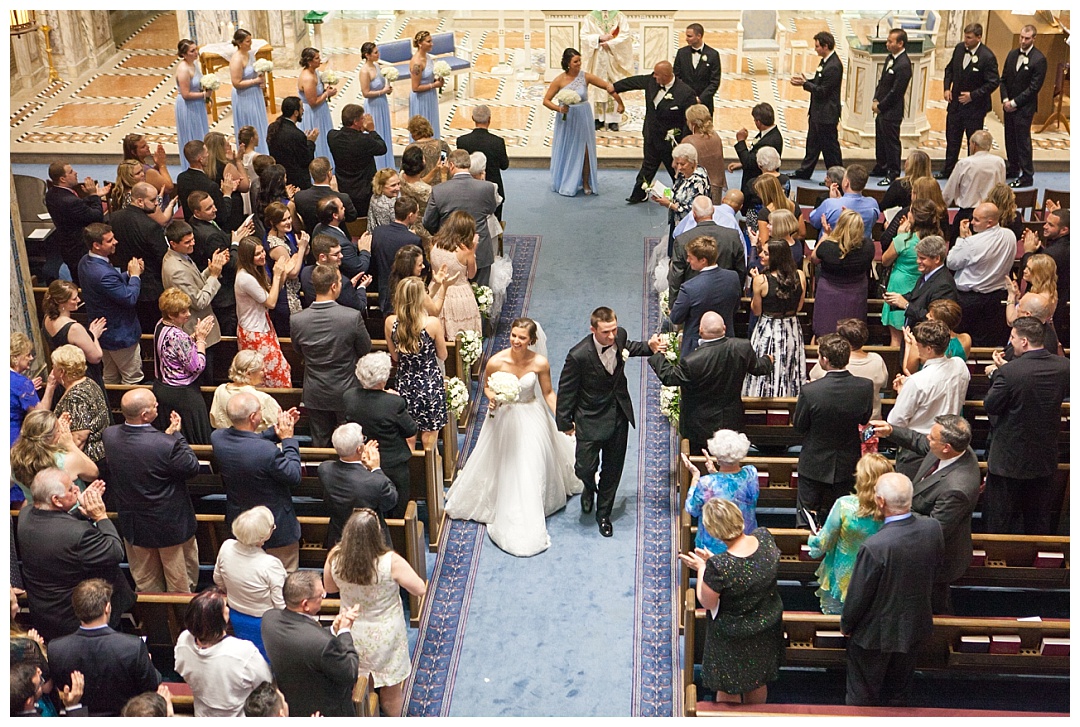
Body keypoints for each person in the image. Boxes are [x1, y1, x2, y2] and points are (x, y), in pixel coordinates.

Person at [445, 318, 581, 556]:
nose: (516, 341)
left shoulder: (539, 363)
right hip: (504, 417)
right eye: (514, 336)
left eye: (522, 338)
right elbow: (487, 387)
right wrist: (493, 397)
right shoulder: (497, 361)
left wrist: (563, 418)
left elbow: (548, 393)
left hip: (532, 415)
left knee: (531, 462)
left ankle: (533, 503)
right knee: (506, 463)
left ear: (532, 340)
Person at [841, 473, 944, 707]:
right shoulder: (933, 529)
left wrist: (847, 625)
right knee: (899, 696)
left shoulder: (875, 546)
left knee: (862, 698)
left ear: (880, 501)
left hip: (874, 635)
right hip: (914, 625)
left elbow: (858, 597)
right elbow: (936, 568)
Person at [556, 307, 659, 537]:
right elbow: (566, 391)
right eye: (605, 332)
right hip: (590, 418)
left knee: (613, 470)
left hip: (618, 415)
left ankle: (603, 513)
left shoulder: (619, 336)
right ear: (593, 330)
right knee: (584, 467)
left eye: (613, 329)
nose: (611, 336)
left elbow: (629, 347)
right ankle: (588, 488)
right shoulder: (578, 355)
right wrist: (564, 422)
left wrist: (649, 348)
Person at [869, 415, 980, 614]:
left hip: (939, 560)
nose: (927, 439)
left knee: (933, 607)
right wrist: (891, 431)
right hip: (923, 541)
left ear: (946, 447)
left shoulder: (958, 488)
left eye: (932, 438)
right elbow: (919, 441)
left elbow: (933, 529)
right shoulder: (955, 448)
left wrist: (895, 506)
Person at [678, 498, 783, 705]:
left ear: (714, 531)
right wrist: (712, 566)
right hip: (767, 627)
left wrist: (702, 570)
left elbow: (707, 602)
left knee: (728, 689)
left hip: (732, 638)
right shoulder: (764, 537)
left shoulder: (719, 566)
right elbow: (748, 571)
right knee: (758, 680)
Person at [323, 510, 427, 716]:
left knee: (361, 688)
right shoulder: (390, 561)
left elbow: (330, 587)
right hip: (385, 633)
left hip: (351, 631)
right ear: (376, 534)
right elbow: (419, 589)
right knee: (391, 693)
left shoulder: (335, 556)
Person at [17, 469, 136, 642]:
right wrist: (100, 516)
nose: (77, 490)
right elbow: (115, 551)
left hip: (44, 612)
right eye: (71, 489)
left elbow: (57, 527)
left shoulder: (26, 515)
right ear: (56, 500)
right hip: (78, 616)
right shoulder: (79, 534)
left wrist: (79, 510)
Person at [101, 388, 200, 593]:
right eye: (155, 405)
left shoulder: (109, 436)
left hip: (135, 525)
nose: (158, 406)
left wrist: (168, 438)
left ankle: (156, 624)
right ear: (145, 415)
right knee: (180, 585)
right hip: (169, 526)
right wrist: (177, 436)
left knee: (146, 585)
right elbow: (191, 467)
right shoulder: (166, 444)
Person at [983, 317, 1070, 535]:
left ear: (1024, 342)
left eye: (1012, 338)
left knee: (1000, 519)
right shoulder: (1064, 366)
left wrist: (997, 373)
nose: (1010, 342)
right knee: (1038, 518)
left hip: (1008, 459)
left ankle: (997, 563)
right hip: (1044, 456)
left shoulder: (1010, 371)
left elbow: (991, 405)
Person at [649, 312, 772, 453]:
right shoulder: (742, 347)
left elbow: (669, 377)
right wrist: (768, 360)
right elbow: (758, 368)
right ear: (724, 328)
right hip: (731, 421)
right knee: (729, 461)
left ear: (700, 331)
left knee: (701, 465)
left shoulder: (692, 361)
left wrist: (657, 353)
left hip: (699, 428)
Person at [212, 394, 303, 571]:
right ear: (253, 417)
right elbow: (293, 475)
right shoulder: (267, 451)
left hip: (241, 522)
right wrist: (288, 439)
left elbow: (248, 441)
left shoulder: (218, 438)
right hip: (275, 527)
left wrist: (275, 430)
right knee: (284, 577)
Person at [793, 334, 875, 529]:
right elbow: (864, 419)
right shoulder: (865, 386)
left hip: (814, 461)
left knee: (807, 517)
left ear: (824, 359)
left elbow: (799, 426)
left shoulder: (811, 391)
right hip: (848, 460)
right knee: (846, 517)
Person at [48, 578, 161, 716]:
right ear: (107, 608)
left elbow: (61, 688)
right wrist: (148, 664)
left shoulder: (56, 649)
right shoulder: (133, 647)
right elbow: (151, 686)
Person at [290, 264, 372, 448]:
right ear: (334, 286)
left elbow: (298, 350)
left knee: (320, 444)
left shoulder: (297, 320)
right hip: (347, 390)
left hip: (315, 391)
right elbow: (365, 349)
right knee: (350, 445)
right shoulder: (351, 317)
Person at [260, 571, 360, 718]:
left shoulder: (269, 619)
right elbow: (350, 673)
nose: (323, 597)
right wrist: (344, 631)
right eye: (321, 596)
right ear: (305, 604)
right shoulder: (323, 644)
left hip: (292, 703)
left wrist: (333, 630)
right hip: (326, 711)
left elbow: (303, 640)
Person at [807, 453, 890, 614]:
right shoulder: (892, 510)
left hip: (843, 578)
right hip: (878, 580)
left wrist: (813, 538)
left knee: (836, 628)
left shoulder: (844, 505)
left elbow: (823, 544)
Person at [886, 320, 970, 479]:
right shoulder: (960, 366)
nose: (916, 348)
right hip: (949, 444)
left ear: (929, 349)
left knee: (912, 497)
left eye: (918, 345)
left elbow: (895, 422)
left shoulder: (917, 382)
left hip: (917, 448)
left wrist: (903, 393)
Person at [174, 587, 272, 717]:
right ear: (219, 621)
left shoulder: (183, 640)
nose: (228, 609)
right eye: (224, 607)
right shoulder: (243, 652)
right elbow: (265, 685)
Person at [343, 352, 418, 520]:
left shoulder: (349, 397)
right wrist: (396, 398)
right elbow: (410, 429)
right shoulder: (394, 403)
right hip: (393, 463)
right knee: (398, 504)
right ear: (384, 379)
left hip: (362, 460)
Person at [544, 47, 623, 197]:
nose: (579, 64)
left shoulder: (585, 77)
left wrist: (619, 101)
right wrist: (558, 109)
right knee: (568, 149)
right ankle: (567, 180)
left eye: (580, 60)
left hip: (583, 116)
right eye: (575, 61)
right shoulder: (559, 80)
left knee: (585, 151)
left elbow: (607, 86)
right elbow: (546, 101)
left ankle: (586, 182)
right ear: (567, 63)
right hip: (566, 120)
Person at [616, 61, 697, 204]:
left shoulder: (685, 92)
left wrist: (684, 142)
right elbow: (634, 82)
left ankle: (683, 197)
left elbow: (688, 120)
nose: (654, 76)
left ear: (666, 76)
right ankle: (638, 194)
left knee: (676, 172)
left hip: (670, 143)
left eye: (657, 74)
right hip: (651, 136)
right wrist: (614, 87)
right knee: (648, 166)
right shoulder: (652, 81)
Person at [213, 505, 287, 659]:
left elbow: (218, 579)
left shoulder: (226, 546)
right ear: (263, 538)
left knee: (246, 657)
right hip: (264, 622)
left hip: (236, 614)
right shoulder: (270, 564)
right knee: (265, 661)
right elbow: (281, 604)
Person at [161, 219, 230, 385]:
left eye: (192, 239)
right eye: (187, 242)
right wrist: (213, 276)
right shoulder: (176, 269)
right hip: (194, 329)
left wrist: (211, 268)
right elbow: (199, 301)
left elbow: (195, 283)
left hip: (201, 329)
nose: (193, 243)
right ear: (173, 243)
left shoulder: (179, 256)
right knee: (205, 380)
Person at [385, 277, 448, 450]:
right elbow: (443, 355)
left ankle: (412, 472)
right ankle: (430, 473)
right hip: (429, 385)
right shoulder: (432, 324)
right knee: (429, 438)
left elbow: (395, 358)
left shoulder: (390, 322)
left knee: (408, 436)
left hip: (404, 384)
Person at [77, 223, 144, 384]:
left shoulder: (86, 261)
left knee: (110, 376)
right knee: (132, 378)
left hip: (103, 332)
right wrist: (135, 276)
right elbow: (129, 298)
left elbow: (108, 286)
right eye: (110, 240)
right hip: (119, 334)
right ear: (96, 245)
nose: (116, 242)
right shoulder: (102, 273)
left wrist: (127, 273)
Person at [423, 149, 499, 286]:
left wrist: (443, 233)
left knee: (450, 292)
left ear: (451, 165)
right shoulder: (488, 187)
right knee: (481, 294)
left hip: (449, 249)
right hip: (479, 246)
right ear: (468, 165)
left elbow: (428, 222)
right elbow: (491, 210)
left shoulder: (439, 190)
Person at [742, 240, 806, 398]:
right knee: (790, 365)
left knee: (766, 365)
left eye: (765, 253)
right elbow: (799, 308)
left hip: (769, 329)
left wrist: (756, 283)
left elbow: (756, 311)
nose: (761, 255)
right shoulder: (800, 275)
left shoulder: (761, 281)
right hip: (791, 328)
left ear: (776, 257)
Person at [947, 201, 1016, 346]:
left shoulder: (971, 243)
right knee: (987, 342)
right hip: (996, 297)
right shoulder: (1010, 235)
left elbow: (951, 262)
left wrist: (961, 239)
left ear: (989, 223)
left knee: (963, 340)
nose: (972, 222)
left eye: (977, 220)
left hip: (969, 301)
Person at [319, 423, 398, 548]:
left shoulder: (324, 470)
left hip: (339, 539)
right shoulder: (376, 482)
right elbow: (390, 501)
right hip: (371, 543)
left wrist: (361, 464)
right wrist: (376, 468)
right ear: (359, 449)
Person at [152, 288, 214, 444]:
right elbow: (197, 366)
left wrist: (191, 338)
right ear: (172, 315)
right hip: (182, 394)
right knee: (193, 439)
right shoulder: (178, 335)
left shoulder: (160, 325)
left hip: (163, 388)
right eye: (183, 312)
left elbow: (177, 350)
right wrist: (201, 339)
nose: (189, 314)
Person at [938, 23, 999, 179]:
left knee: (973, 142)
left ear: (979, 37)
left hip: (975, 108)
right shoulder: (959, 49)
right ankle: (948, 170)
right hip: (955, 106)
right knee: (952, 139)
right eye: (965, 36)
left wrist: (972, 95)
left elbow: (993, 82)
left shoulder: (987, 56)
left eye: (969, 37)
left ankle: (971, 173)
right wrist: (946, 88)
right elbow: (949, 70)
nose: (966, 40)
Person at [683, 430, 760, 554]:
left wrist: (695, 477)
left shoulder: (706, 482)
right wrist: (715, 474)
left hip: (713, 546)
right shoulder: (751, 473)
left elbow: (692, 509)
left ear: (717, 458)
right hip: (746, 541)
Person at [109, 181, 172, 333]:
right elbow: (163, 257)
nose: (157, 204)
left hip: (127, 279)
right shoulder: (151, 227)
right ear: (139, 201)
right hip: (152, 287)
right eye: (153, 200)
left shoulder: (114, 218)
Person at [188, 189, 250, 338]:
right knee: (228, 335)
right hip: (224, 296)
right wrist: (235, 243)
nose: (215, 209)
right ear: (197, 212)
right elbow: (231, 263)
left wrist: (233, 236)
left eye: (213, 205)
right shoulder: (210, 236)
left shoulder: (195, 222)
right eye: (209, 208)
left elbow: (221, 239)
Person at [880, 198, 942, 346]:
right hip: (923, 286)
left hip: (900, 286)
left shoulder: (903, 240)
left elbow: (885, 261)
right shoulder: (937, 238)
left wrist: (898, 234)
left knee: (897, 337)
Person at [234, 236, 293, 387]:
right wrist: (278, 274)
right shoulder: (245, 278)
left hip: (262, 326)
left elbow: (271, 293)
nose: (263, 255)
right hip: (254, 333)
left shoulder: (254, 271)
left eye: (262, 251)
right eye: (257, 254)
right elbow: (271, 302)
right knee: (275, 374)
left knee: (282, 370)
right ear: (248, 257)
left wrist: (282, 273)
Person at [669, 236, 740, 357]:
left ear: (703, 260)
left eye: (690, 257)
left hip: (696, 348)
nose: (687, 260)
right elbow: (736, 306)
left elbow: (676, 318)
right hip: (726, 344)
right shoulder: (733, 277)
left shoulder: (689, 288)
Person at [669, 196, 746, 306]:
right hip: (724, 297)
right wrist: (736, 297)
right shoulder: (732, 236)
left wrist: (674, 304)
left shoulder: (682, 240)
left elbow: (677, 274)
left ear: (694, 214)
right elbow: (740, 270)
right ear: (713, 211)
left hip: (693, 299)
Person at [10, 410, 98, 504]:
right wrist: (70, 444)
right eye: (58, 430)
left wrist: (53, 428)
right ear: (53, 436)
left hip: (36, 513)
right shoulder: (67, 460)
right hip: (69, 515)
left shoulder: (16, 459)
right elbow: (93, 473)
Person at [808, 318, 889, 420]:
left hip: (838, 420)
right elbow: (884, 384)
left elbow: (814, 378)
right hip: (871, 419)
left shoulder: (833, 362)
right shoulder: (877, 359)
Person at [44, 161, 109, 285]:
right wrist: (94, 195)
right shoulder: (69, 201)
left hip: (67, 246)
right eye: (71, 172)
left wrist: (92, 197)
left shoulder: (52, 194)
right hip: (79, 248)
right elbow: (96, 217)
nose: (75, 173)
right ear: (63, 179)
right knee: (85, 282)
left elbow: (77, 209)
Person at [811, 209, 874, 337]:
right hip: (856, 295)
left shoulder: (828, 246)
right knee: (853, 335)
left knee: (825, 334)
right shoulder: (868, 246)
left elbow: (813, 258)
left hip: (829, 296)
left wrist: (825, 236)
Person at [790, 31, 844, 179]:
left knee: (830, 149)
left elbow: (823, 91)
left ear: (826, 46)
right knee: (812, 145)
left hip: (827, 115)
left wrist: (805, 84)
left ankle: (837, 176)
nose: (815, 49)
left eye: (817, 46)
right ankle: (804, 172)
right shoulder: (826, 61)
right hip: (817, 113)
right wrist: (807, 81)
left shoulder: (834, 66)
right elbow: (820, 81)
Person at [51, 345, 110, 476]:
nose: (52, 370)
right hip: (101, 453)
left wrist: (66, 468)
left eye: (53, 366)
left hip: (89, 460)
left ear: (61, 372)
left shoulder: (75, 397)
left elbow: (79, 438)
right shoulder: (88, 382)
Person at [1001, 26, 1047, 188]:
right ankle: (1013, 168)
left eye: (1027, 38)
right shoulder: (1012, 54)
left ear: (1034, 38)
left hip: (1024, 108)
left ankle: (1027, 175)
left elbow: (1033, 88)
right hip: (1008, 106)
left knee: (1022, 141)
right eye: (1021, 37)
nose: (1023, 41)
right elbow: (1004, 79)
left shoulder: (1039, 59)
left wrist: (1014, 103)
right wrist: (1005, 99)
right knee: (1010, 139)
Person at [41, 280, 106, 393]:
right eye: (74, 298)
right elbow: (96, 357)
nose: (79, 300)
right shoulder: (74, 328)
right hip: (80, 380)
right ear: (61, 302)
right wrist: (94, 335)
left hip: (62, 376)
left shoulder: (47, 318)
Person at [941, 130, 1006, 239]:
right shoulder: (999, 162)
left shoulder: (965, 163)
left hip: (967, 217)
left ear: (974, 145)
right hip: (992, 216)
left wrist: (942, 208)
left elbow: (949, 191)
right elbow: (1002, 188)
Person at [885, 234, 957, 330]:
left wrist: (906, 305)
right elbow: (916, 296)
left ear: (937, 259)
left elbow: (935, 319)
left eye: (922, 258)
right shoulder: (926, 274)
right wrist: (896, 299)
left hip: (925, 339)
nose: (918, 261)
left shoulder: (944, 285)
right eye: (918, 257)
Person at [429, 210, 482, 339]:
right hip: (459, 295)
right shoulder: (466, 251)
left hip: (435, 290)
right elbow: (471, 275)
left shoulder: (434, 243)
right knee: (462, 334)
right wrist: (473, 250)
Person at [1020, 207, 1069, 345]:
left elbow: (1033, 274)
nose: (1044, 226)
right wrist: (1039, 251)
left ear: (1064, 230)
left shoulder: (1053, 254)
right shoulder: (1062, 247)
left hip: (1050, 306)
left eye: (1050, 225)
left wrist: (1029, 252)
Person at [871, 29, 912, 185]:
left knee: (891, 142)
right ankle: (881, 166)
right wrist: (875, 98)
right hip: (882, 108)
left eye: (890, 41)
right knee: (880, 139)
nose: (887, 44)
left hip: (891, 110)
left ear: (900, 43)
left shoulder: (904, 64)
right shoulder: (890, 58)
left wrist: (881, 106)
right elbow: (882, 82)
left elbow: (896, 91)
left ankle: (893, 172)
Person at [262, 201, 310, 336]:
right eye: (283, 220)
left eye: (289, 218)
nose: (288, 222)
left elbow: (296, 258)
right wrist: (300, 250)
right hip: (286, 298)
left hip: (294, 292)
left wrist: (300, 252)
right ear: (273, 223)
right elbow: (293, 272)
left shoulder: (284, 235)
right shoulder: (276, 245)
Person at [580, 10, 633, 131]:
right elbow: (583, 36)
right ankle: (598, 119)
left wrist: (611, 43)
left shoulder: (619, 16)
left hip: (612, 58)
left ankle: (613, 119)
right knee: (597, 86)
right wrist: (599, 38)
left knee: (613, 85)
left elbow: (625, 35)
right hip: (597, 58)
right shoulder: (591, 17)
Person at [456, 105, 510, 219]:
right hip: (492, 187)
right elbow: (504, 165)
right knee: (495, 220)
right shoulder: (497, 142)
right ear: (489, 119)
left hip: (468, 188)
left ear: (472, 118)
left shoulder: (462, 141)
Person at [653, 143, 710, 249]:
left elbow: (691, 210)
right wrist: (662, 194)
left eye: (682, 164)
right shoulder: (683, 173)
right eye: (677, 163)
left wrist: (669, 204)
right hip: (677, 221)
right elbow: (677, 191)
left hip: (689, 226)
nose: (679, 167)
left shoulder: (698, 181)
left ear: (693, 163)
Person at [209, 350, 282, 431]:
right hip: (255, 442)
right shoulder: (263, 398)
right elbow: (279, 427)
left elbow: (215, 421)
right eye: (262, 370)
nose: (265, 372)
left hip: (226, 441)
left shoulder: (220, 390)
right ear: (248, 374)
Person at [372, 196, 423, 308]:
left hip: (384, 289)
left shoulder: (378, 232)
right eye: (417, 213)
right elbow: (423, 267)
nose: (417, 216)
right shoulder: (413, 239)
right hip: (405, 293)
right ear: (410, 215)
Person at [300, 232, 369, 314]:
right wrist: (361, 288)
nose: (341, 256)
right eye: (336, 254)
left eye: (340, 251)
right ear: (323, 257)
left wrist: (349, 287)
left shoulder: (305, 272)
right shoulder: (340, 281)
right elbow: (359, 307)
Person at [730, 103, 783, 211]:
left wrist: (741, 141)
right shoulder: (768, 133)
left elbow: (749, 162)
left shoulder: (770, 140)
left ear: (758, 122)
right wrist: (741, 164)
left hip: (759, 183)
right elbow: (756, 158)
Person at [808, 165, 879, 242]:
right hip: (860, 250)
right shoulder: (873, 204)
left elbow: (813, 221)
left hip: (831, 250)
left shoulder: (829, 204)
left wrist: (833, 201)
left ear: (846, 183)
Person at [10, 333, 58, 448]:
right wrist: (51, 386)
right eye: (28, 355)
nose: (31, 358)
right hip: (13, 441)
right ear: (15, 358)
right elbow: (40, 417)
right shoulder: (21, 383)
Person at [176, 139, 239, 223]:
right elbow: (223, 215)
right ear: (200, 159)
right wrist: (227, 194)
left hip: (191, 225)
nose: (209, 155)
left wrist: (220, 190)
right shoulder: (211, 186)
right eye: (206, 153)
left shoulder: (181, 178)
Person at [293, 158, 357, 237]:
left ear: (311, 174)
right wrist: (336, 192)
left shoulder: (299, 197)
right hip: (338, 239)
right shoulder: (342, 197)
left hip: (314, 240)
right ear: (329, 173)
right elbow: (352, 217)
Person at [229, 29, 269, 155]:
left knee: (260, 123)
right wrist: (255, 81)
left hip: (255, 94)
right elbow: (236, 83)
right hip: (244, 96)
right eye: (248, 41)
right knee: (251, 124)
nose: (250, 43)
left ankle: (263, 153)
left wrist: (261, 80)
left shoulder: (250, 54)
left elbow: (255, 71)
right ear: (240, 43)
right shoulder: (236, 59)